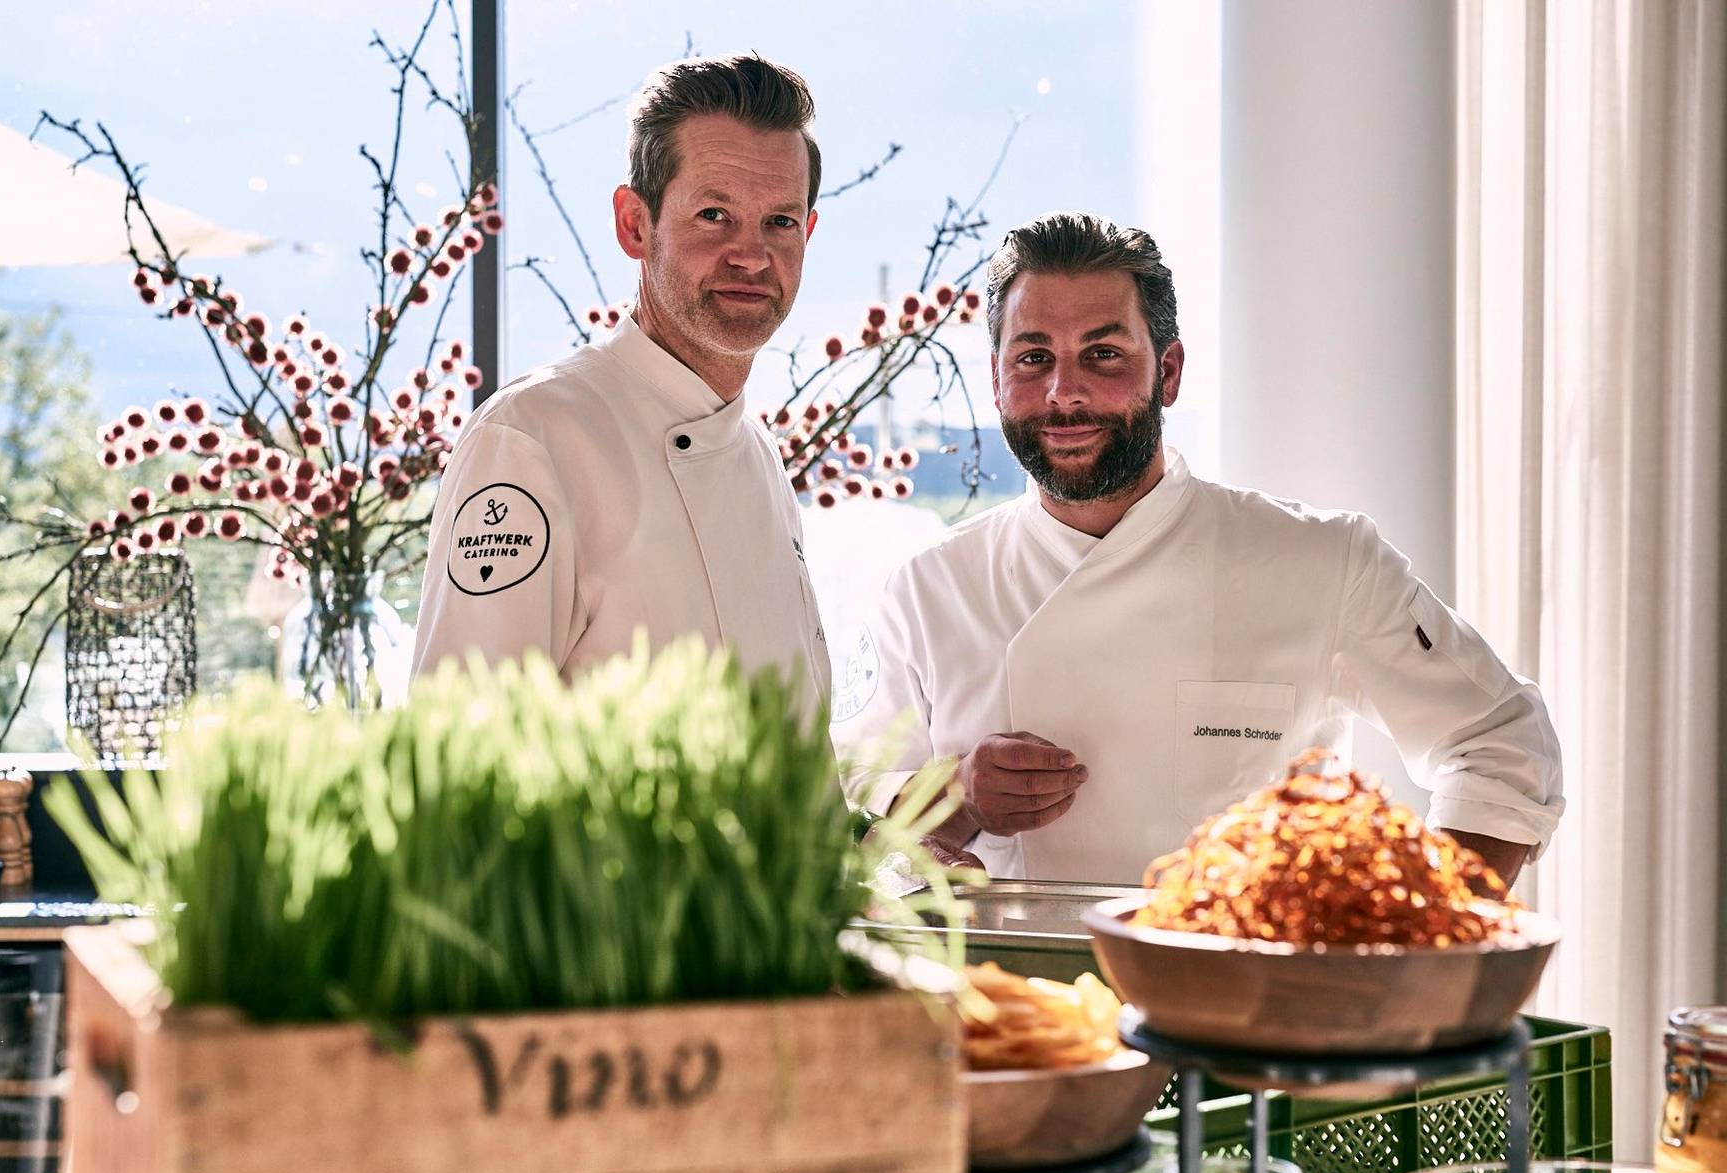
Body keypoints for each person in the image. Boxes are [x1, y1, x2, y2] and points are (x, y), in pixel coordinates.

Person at [833, 212, 1563, 889]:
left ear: (1169, 372)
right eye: (1032, 358)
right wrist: (956, 798)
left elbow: (1503, 745)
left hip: (1243, 1012)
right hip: (1005, 1013)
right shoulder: (926, 591)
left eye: (1104, 354)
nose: (1065, 392)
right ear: (997, 380)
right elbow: (848, 833)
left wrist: (1412, 943)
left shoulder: (1321, 562)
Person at [411, 54, 829, 706]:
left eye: (779, 221)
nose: (751, 255)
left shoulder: (761, 458)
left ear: (807, 232)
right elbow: (461, 751)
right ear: (635, 224)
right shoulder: (529, 439)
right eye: (713, 215)